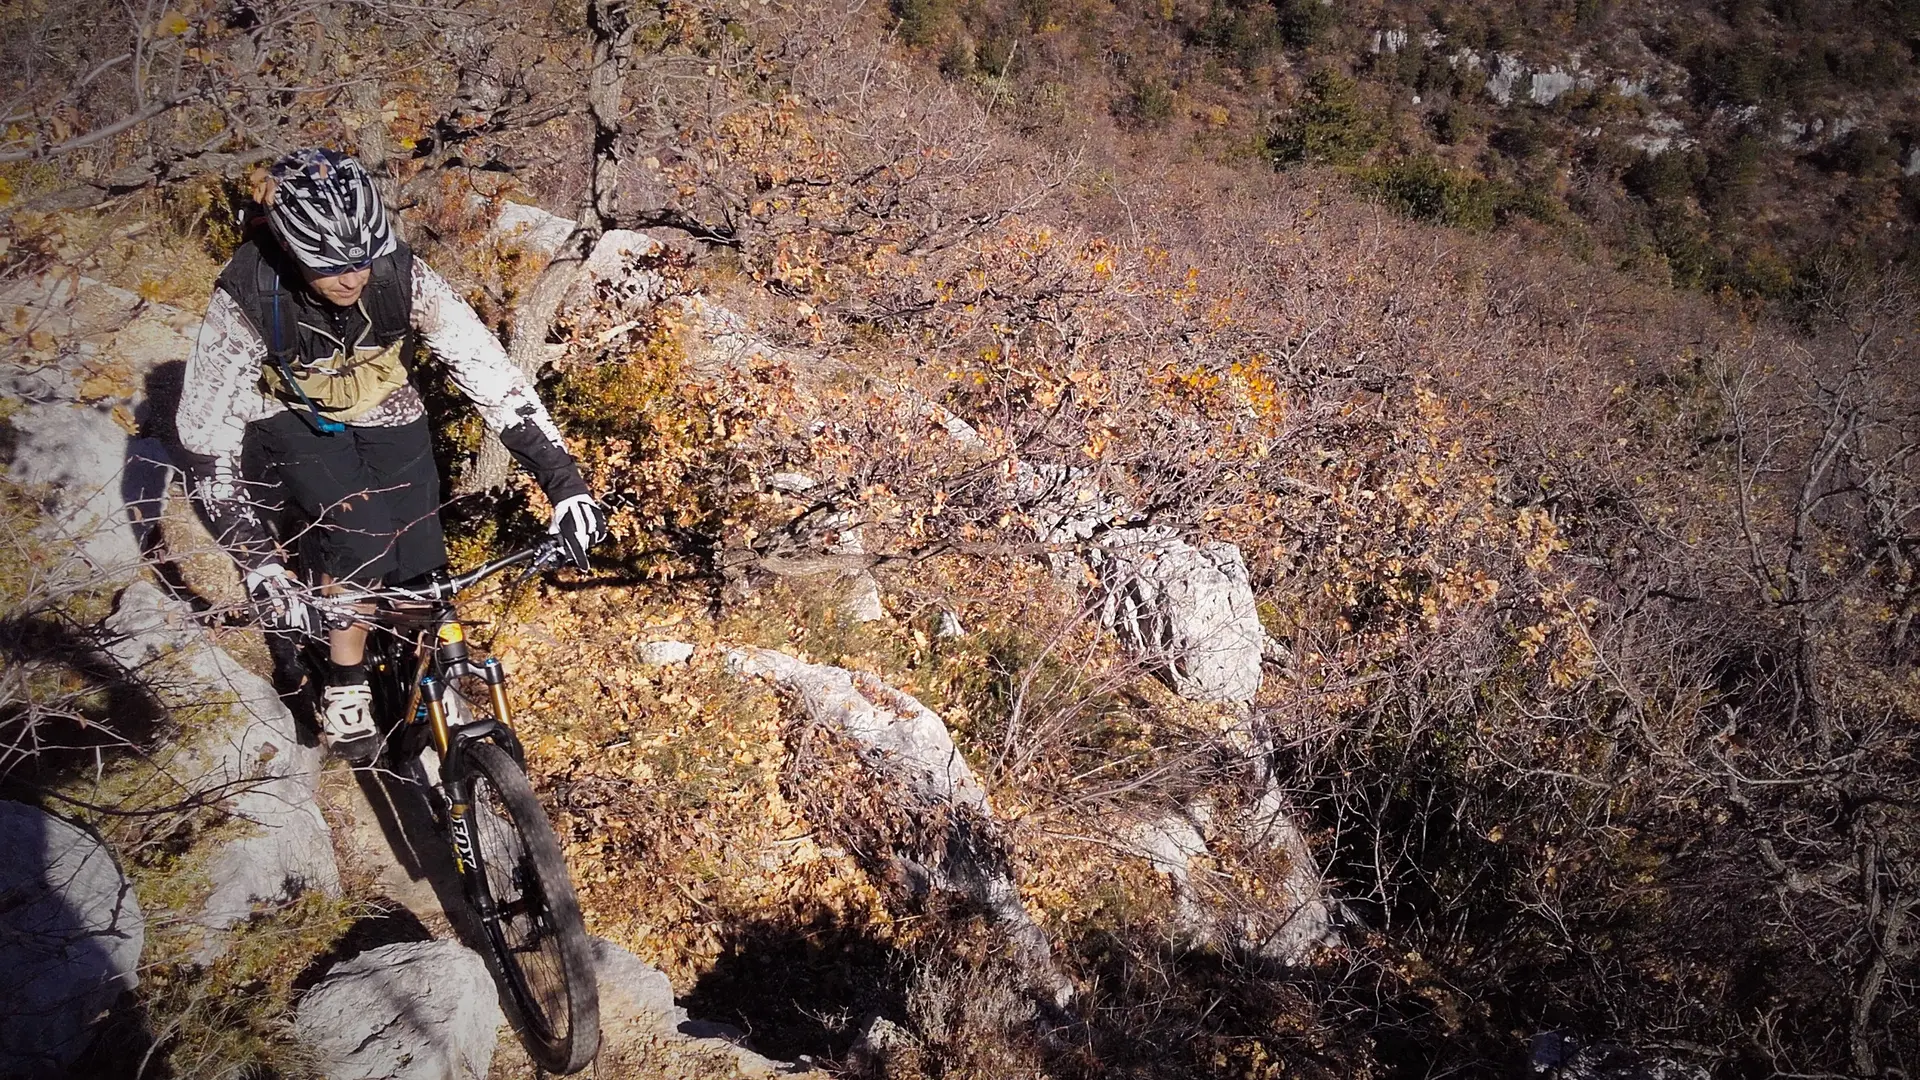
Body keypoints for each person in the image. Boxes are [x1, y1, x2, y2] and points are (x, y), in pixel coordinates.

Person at [176, 147, 606, 757]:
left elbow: (491, 375)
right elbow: (206, 441)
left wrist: (565, 485)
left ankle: (424, 674)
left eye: (362, 262)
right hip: (291, 410)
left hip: (383, 397)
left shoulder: (403, 276)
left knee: (421, 554)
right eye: (329, 266)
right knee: (357, 538)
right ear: (294, 252)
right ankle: (345, 683)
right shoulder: (247, 293)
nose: (352, 279)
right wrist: (259, 564)